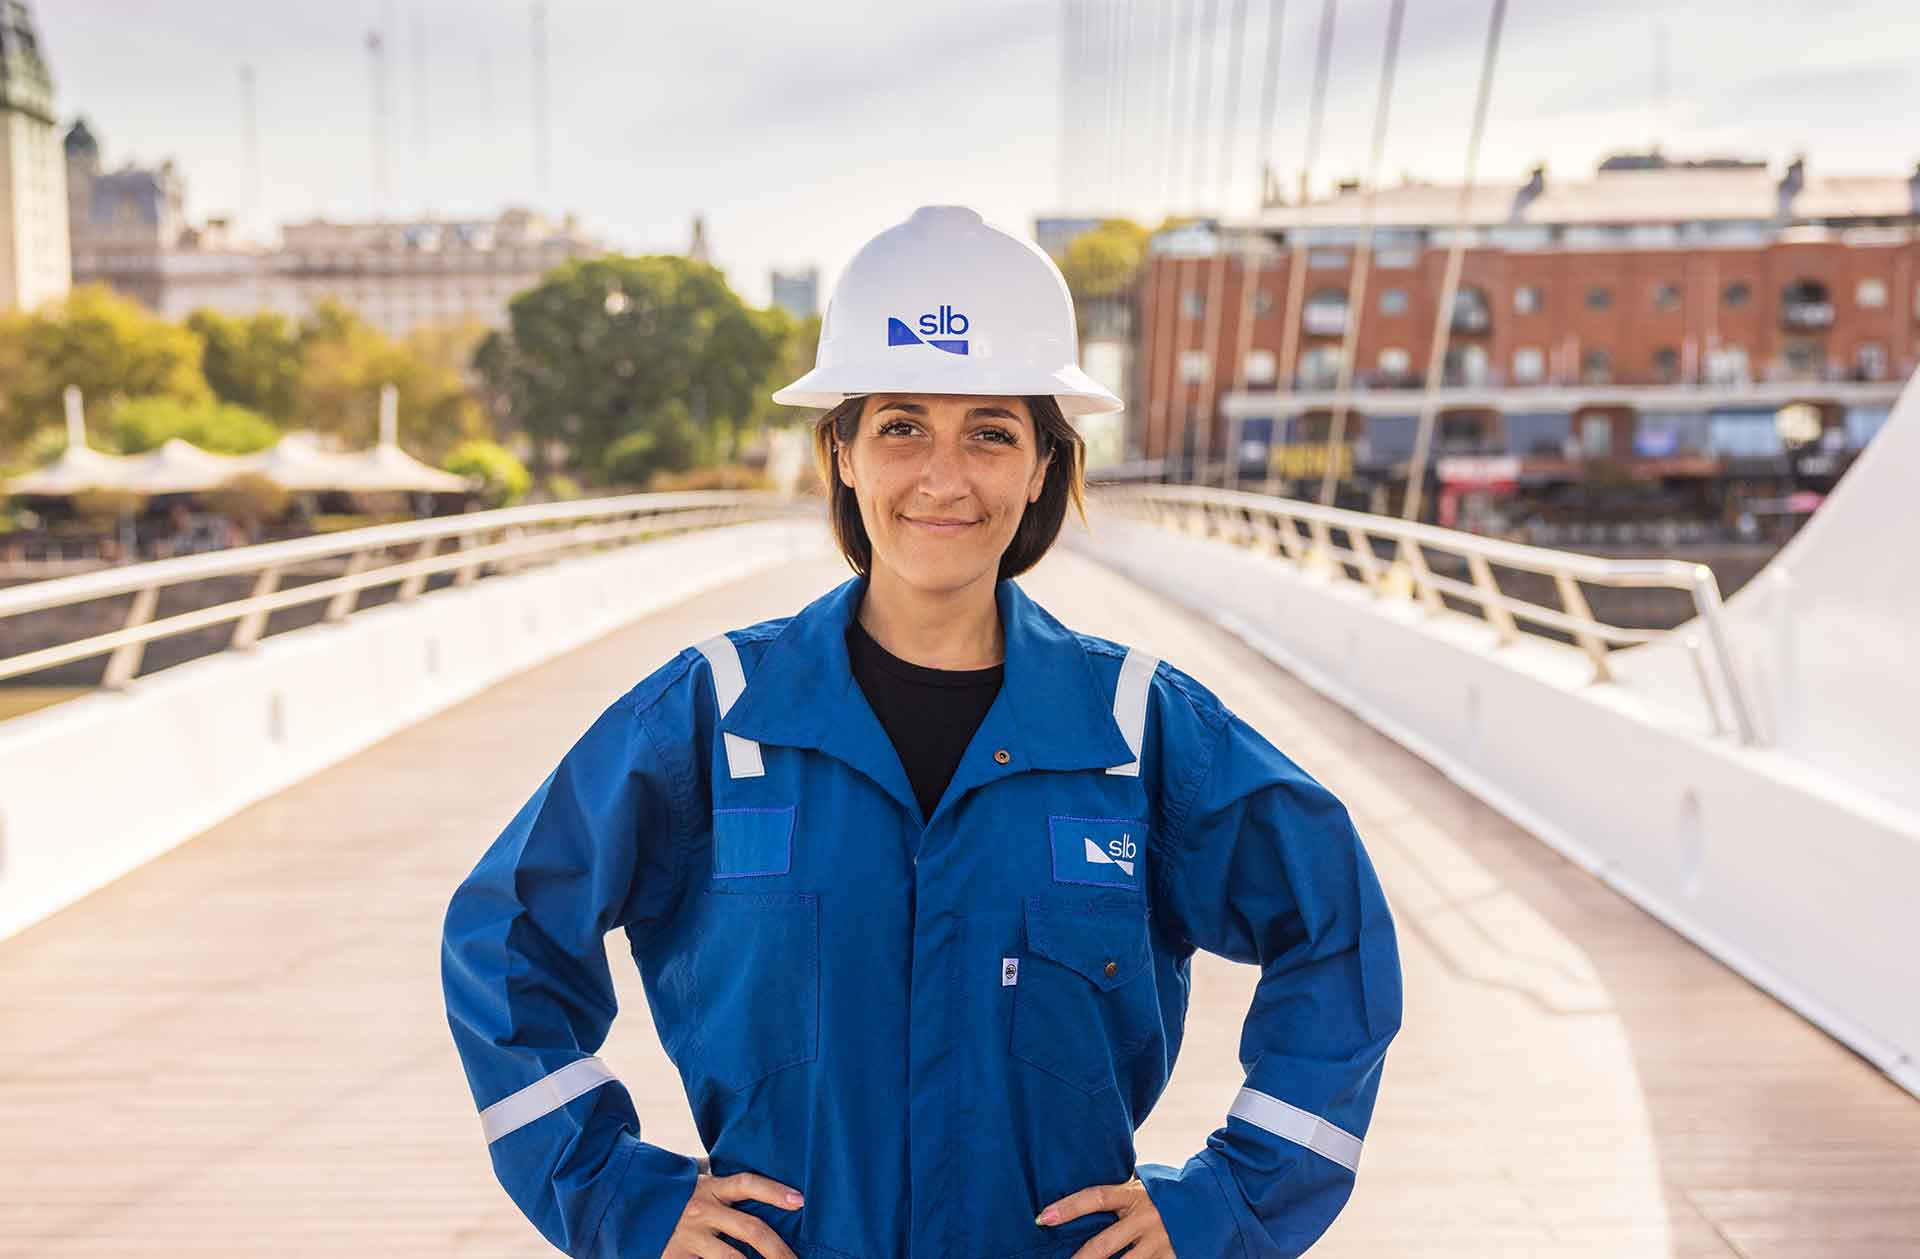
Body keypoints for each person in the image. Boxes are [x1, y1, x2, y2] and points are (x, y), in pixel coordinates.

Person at [441, 205, 1402, 1259]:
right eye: (902, 424)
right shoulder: (713, 719)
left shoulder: (1138, 732)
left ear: (1042, 465)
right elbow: (505, 937)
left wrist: (1227, 1201)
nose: (944, 477)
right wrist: (618, 1191)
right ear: (842, 452)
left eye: (990, 430)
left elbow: (1336, 932)